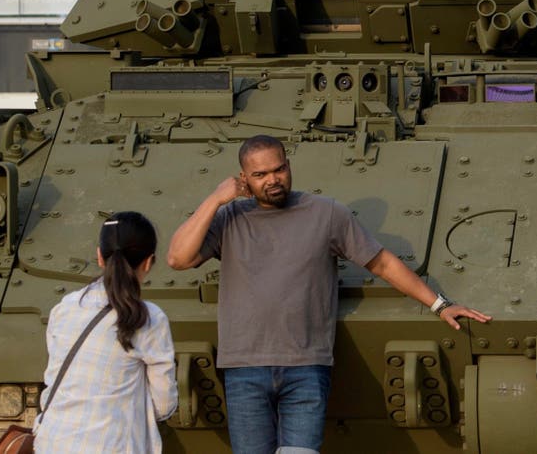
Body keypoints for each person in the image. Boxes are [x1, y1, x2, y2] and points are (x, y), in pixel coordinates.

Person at [167, 135, 491, 454]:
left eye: (278, 169)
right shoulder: (230, 219)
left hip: (305, 367)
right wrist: (215, 199)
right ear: (243, 179)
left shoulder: (326, 213)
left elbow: (381, 263)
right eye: (260, 175)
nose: (273, 180)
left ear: (288, 165)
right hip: (244, 368)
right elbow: (177, 259)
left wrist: (440, 305)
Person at [36, 211, 178, 453]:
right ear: (149, 261)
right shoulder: (150, 318)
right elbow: (163, 405)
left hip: (52, 442)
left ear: (100, 256)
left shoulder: (66, 307)